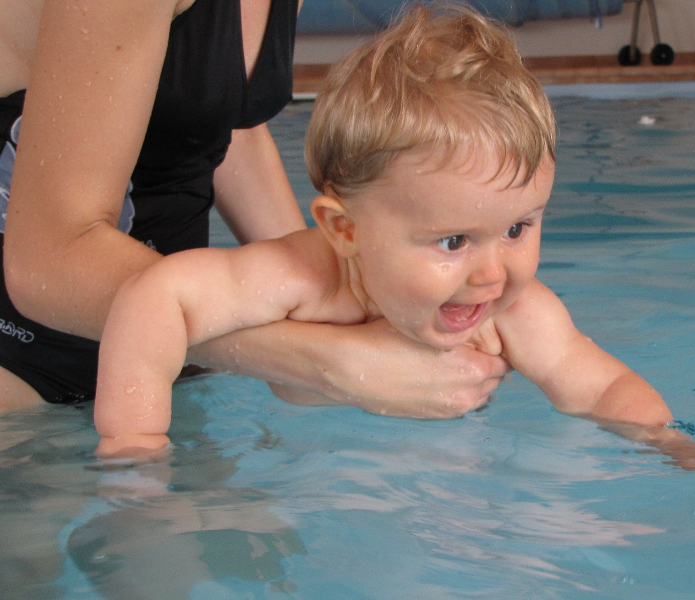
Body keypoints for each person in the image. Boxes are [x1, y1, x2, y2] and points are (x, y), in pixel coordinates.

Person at [92, 4, 695, 472]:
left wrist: (672, 443)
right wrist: (136, 450)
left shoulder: (512, 314)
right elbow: (158, 297)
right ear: (344, 229)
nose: (491, 272)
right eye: (453, 241)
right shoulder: (300, 280)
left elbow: (598, 387)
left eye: (516, 227)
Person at [0, 0, 506, 416]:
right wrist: (320, 360)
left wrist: (334, 296)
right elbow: (46, 261)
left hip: (168, 365)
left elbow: (215, 114)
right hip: (18, 367)